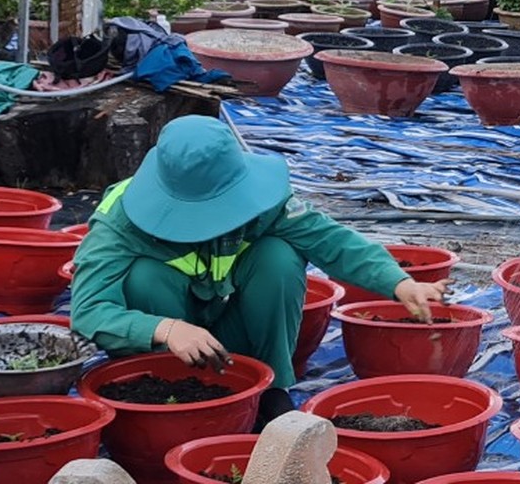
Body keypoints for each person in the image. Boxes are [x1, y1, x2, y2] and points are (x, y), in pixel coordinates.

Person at [70, 115, 450, 430]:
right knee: (144, 277)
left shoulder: (262, 200)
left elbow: (329, 239)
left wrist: (398, 282)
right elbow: (87, 312)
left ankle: (269, 387)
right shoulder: (121, 217)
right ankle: (171, 388)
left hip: (229, 331)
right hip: (162, 347)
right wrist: (166, 330)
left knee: (278, 256)